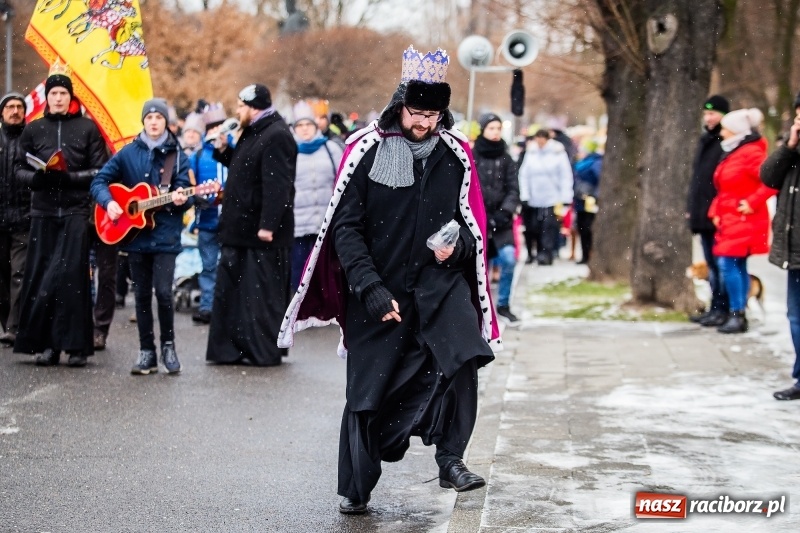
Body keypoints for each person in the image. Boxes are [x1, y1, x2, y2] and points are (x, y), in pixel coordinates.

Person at [278, 46, 500, 515]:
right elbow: (346, 229)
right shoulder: (367, 149)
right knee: (368, 391)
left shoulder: (455, 155)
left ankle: (450, 458)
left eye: (433, 115)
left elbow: (474, 225)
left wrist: (456, 245)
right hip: (376, 287)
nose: (423, 123)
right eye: (416, 112)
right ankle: (357, 486)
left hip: (438, 284)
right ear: (400, 104)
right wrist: (371, 288)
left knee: (464, 355)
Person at [13, 62, 108, 367]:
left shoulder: (87, 128)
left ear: (70, 97)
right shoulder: (33, 128)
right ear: (47, 96)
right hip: (42, 211)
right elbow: (18, 169)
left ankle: (76, 346)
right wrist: (36, 179)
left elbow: (99, 170)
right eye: (53, 92)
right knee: (41, 277)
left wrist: (70, 178)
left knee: (71, 277)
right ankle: (47, 345)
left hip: (74, 211)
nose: (57, 98)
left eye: (62, 93)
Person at [91, 98, 193, 374]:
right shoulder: (127, 153)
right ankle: (146, 351)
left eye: (159, 117)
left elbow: (186, 194)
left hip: (166, 237)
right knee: (141, 296)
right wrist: (109, 202)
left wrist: (180, 199)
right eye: (149, 117)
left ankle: (168, 347)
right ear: (143, 121)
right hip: (135, 236)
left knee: (163, 292)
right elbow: (99, 181)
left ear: (166, 122)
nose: (154, 122)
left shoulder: (177, 156)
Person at [205, 83, 296, 367]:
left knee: (260, 297)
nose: (238, 111)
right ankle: (231, 349)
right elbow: (243, 167)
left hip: (260, 234)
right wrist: (222, 149)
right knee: (232, 295)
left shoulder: (276, 135)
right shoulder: (253, 131)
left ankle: (262, 350)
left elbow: (278, 185)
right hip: (239, 230)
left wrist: (268, 224)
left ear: (253, 106)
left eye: (241, 106)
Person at [708, 108, 773, 334]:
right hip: (730, 218)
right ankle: (738, 312)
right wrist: (715, 211)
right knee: (734, 265)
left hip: (744, 218)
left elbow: (771, 181)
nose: (722, 133)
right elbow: (724, 189)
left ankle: (737, 313)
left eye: (725, 129)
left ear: (736, 130)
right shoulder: (735, 152)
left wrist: (752, 203)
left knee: (729, 264)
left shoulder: (751, 153)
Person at [760, 91, 800, 400]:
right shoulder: (792, 149)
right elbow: (768, 177)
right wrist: (789, 145)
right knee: (795, 317)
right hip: (793, 250)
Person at [686, 95, 730, 326]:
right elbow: (698, 180)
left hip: (716, 214)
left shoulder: (724, 143)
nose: (708, 118)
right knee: (712, 265)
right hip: (702, 212)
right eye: (706, 114)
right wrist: (691, 208)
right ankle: (716, 307)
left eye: (712, 113)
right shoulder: (705, 140)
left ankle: (725, 308)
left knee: (721, 265)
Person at [473, 112, 520, 323]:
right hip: (477, 220)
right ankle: (480, 306)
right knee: (480, 265)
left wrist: (505, 211)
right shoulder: (473, 155)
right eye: (491, 128)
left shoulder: (507, 158)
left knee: (509, 259)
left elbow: (513, 189)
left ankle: (503, 304)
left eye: (498, 129)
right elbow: (469, 187)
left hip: (502, 222)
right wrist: (479, 212)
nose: (495, 132)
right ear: (483, 130)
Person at [291, 102, 343, 289]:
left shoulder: (331, 149)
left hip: (325, 221)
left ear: (315, 126)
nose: (305, 129)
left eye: (308, 125)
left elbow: (342, 180)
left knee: (326, 270)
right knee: (300, 270)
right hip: (299, 223)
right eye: (300, 126)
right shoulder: (289, 151)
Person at [187, 109, 228, 325]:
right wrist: (197, 199)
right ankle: (207, 307)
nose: (216, 131)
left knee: (229, 266)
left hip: (230, 222)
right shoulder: (198, 156)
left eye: (219, 126)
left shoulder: (235, 150)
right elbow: (189, 186)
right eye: (212, 128)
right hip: (207, 220)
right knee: (209, 266)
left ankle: (227, 308)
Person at [517, 129, 573, 265]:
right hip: (533, 197)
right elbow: (524, 175)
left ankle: (546, 254)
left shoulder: (558, 153)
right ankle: (534, 253)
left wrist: (565, 197)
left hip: (552, 197)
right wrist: (525, 194)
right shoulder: (531, 152)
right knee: (533, 227)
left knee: (548, 227)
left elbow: (565, 176)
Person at [0, 92, 30, 347]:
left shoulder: (30, 139)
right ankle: (6, 321)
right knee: (2, 274)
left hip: (23, 218)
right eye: (10, 106)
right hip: (0, 218)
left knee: (19, 272)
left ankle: (14, 326)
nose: (14, 111)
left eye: (19, 106)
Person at [572, 139, 603, 264]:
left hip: (590, 200)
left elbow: (599, 180)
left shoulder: (596, 163)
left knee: (588, 228)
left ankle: (589, 255)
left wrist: (594, 195)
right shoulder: (583, 163)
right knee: (582, 228)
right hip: (580, 199)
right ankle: (585, 255)